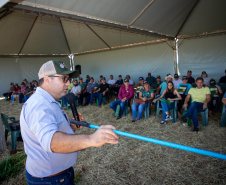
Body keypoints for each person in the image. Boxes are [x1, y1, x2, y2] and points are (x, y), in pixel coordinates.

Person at [20, 60, 118, 184]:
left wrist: (71, 127)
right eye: (64, 79)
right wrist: (91, 139)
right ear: (47, 80)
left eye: (69, 79)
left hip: (57, 175)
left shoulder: (47, 101)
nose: (68, 83)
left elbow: (52, 130)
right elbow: (52, 142)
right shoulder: (39, 105)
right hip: (50, 180)